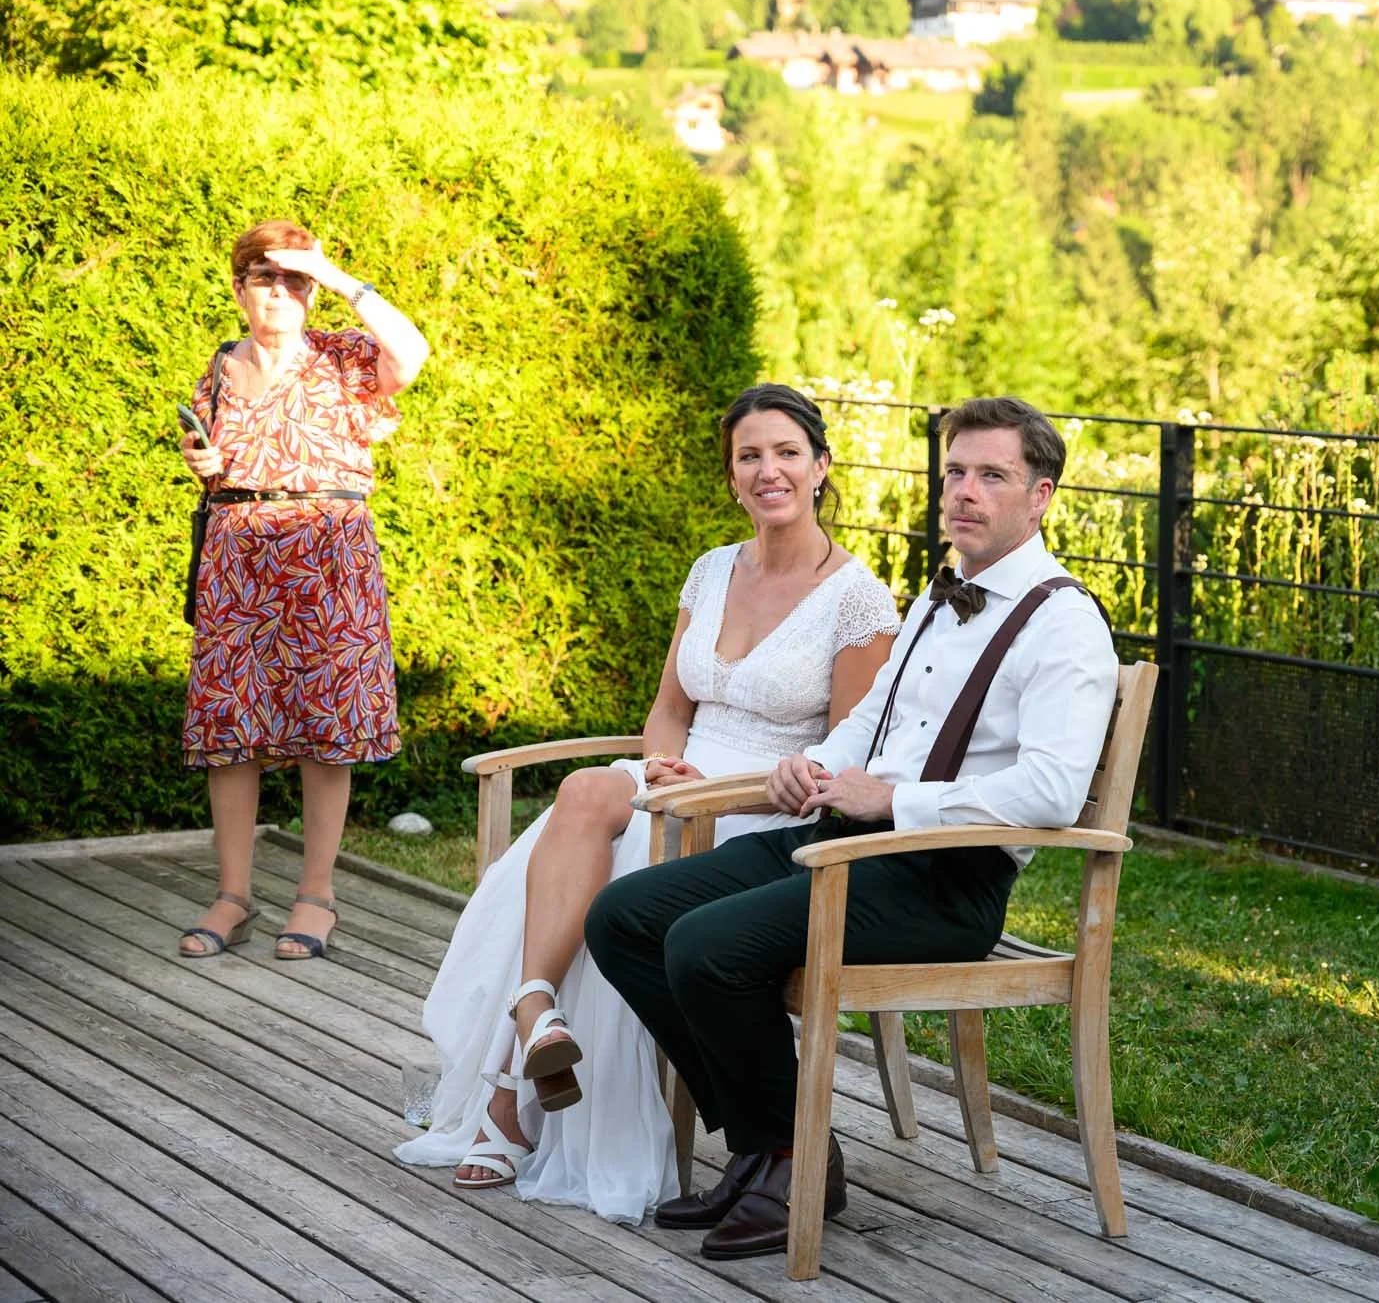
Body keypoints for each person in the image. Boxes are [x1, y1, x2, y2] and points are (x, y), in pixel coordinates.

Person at [584, 396, 1119, 1261]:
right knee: (624, 919)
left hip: (941, 880)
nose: (965, 493)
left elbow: (1055, 791)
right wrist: (816, 765)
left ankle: (787, 1157)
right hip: (840, 841)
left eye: (992, 475)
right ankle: (775, 1144)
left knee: (706, 945)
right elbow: (871, 717)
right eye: (955, 473)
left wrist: (898, 803)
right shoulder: (937, 601)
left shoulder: (1063, 623)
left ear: (1041, 495)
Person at [395, 384, 899, 1225]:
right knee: (587, 791)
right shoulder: (712, 568)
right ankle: (537, 1015)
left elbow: (840, 753)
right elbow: (671, 703)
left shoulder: (857, 598)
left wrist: (712, 786)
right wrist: (662, 758)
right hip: (681, 773)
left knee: (612, 866)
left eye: (785, 452)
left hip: (762, 806)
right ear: (732, 476)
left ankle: (511, 1100)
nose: (767, 470)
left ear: (820, 466)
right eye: (749, 456)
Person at [176, 220, 429, 961]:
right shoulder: (220, 367)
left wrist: (339, 273)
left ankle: (316, 897)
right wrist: (204, 459)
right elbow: (215, 457)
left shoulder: (345, 357)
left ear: (314, 292)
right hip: (237, 550)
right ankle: (232, 897)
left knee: (328, 727)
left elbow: (413, 353)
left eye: (297, 281)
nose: (282, 292)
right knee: (231, 730)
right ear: (239, 289)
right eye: (267, 277)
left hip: (327, 552)